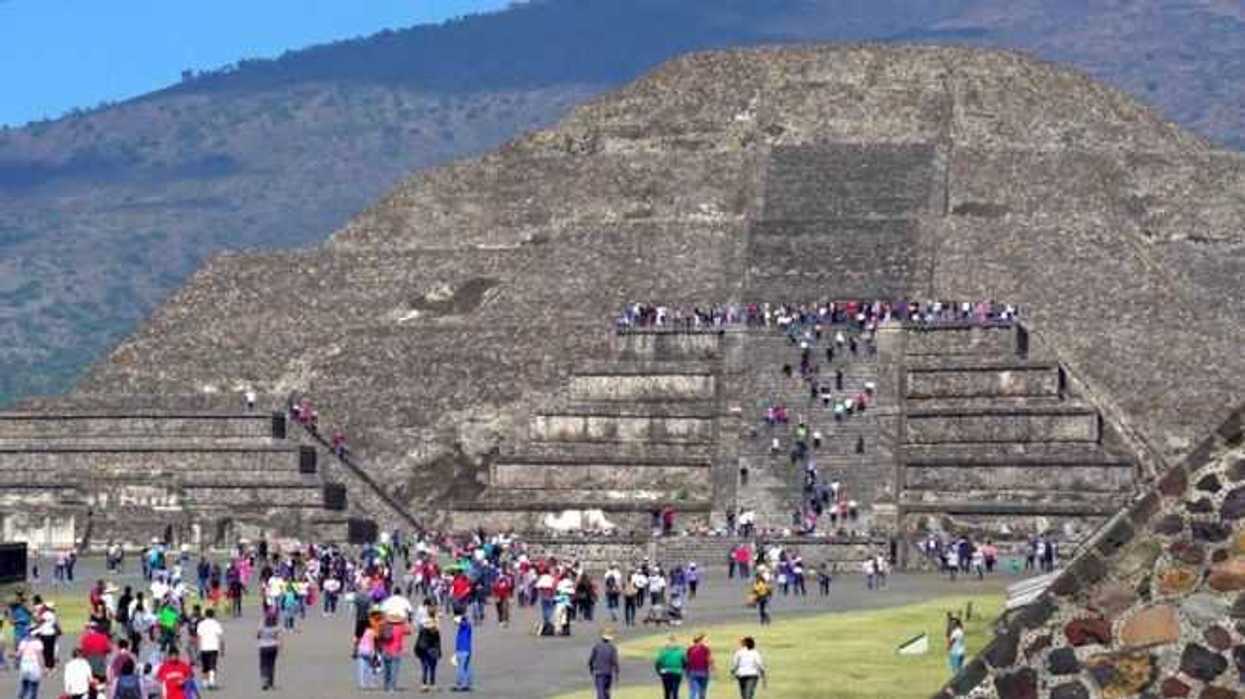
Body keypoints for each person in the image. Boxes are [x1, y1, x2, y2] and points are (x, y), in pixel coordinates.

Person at [380, 612, 411, 693]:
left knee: (387, 670)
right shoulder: (401, 627)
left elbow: (380, 636)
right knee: (394, 671)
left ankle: (386, 686)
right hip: (396, 651)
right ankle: (392, 687)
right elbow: (409, 631)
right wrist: (405, 621)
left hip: (385, 650)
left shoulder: (385, 626)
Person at [588, 628, 620, 699]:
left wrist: (591, 668)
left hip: (599, 672)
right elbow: (615, 661)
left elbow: (591, 659)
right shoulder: (612, 648)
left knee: (600, 692)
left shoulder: (597, 647)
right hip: (608, 672)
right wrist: (617, 672)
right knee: (606, 691)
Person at [196, 608, 224, 690]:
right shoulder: (216, 623)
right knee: (212, 665)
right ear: (213, 615)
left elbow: (199, 636)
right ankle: (212, 682)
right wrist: (222, 648)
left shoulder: (201, 624)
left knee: (205, 665)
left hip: (204, 647)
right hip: (213, 647)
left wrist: (198, 647)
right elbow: (220, 636)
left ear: (205, 615)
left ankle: (205, 682)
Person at [414, 615, 442, 693]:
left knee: (429, 668)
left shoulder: (431, 632)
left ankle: (428, 684)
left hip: (429, 651)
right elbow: (419, 641)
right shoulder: (429, 631)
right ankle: (427, 684)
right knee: (428, 668)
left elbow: (438, 643)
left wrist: (439, 652)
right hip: (426, 651)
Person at [654, 634, 687, 699]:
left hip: (666, 672)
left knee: (667, 691)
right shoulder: (680, 651)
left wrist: (659, 672)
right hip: (677, 672)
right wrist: (682, 669)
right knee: (675, 691)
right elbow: (685, 662)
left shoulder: (663, 651)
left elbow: (657, 663)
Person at [256, 613, 281, 691]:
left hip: (263, 646)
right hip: (273, 646)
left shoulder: (262, 625)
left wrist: (261, 637)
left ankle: (264, 682)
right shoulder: (276, 626)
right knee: (271, 665)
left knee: (263, 665)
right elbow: (279, 637)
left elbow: (258, 635)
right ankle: (271, 682)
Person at [15, 631, 43, 699]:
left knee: (24, 685)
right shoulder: (38, 643)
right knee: (33, 687)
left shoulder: (23, 642)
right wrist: (43, 666)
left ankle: (21, 696)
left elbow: (18, 655)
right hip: (34, 665)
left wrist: (13, 655)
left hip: (24, 665)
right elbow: (39, 656)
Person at [686, 632, 713, 699]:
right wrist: (711, 668)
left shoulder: (690, 649)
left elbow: (687, 661)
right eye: (705, 640)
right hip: (703, 672)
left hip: (692, 672)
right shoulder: (706, 649)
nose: (706, 642)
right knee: (702, 691)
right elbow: (709, 660)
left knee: (693, 691)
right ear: (700, 640)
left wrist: (687, 671)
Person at [451, 614, 473, 692]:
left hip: (462, 649)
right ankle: (467, 683)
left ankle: (460, 684)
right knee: (466, 667)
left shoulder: (464, 625)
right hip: (467, 649)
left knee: (460, 667)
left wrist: (458, 620)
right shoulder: (467, 626)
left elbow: (460, 622)